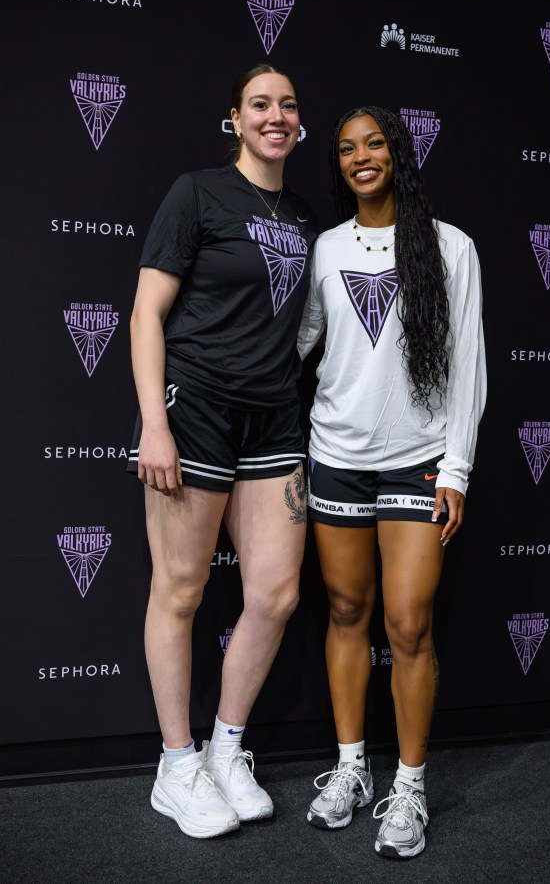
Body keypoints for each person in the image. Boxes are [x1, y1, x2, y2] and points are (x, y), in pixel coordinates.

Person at [127, 63, 318, 839]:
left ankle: (224, 749)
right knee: (180, 590)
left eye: (288, 106)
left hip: (275, 419)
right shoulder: (197, 192)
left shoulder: (305, 217)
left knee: (274, 594)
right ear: (235, 118)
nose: (276, 116)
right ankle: (176, 766)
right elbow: (146, 311)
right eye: (260, 105)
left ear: (299, 124)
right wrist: (154, 421)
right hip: (195, 406)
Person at [297, 106, 486, 859]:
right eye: (346, 148)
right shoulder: (326, 248)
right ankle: (351, 771)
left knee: (407, 625)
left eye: (373, 144)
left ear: (398, 154)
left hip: (418, 458)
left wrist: (460, 469)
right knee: (346, 610)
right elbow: (306, 341)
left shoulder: (450, 248)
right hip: (335, 453)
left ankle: (408, 787)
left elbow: (467, 364)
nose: (358, 157)